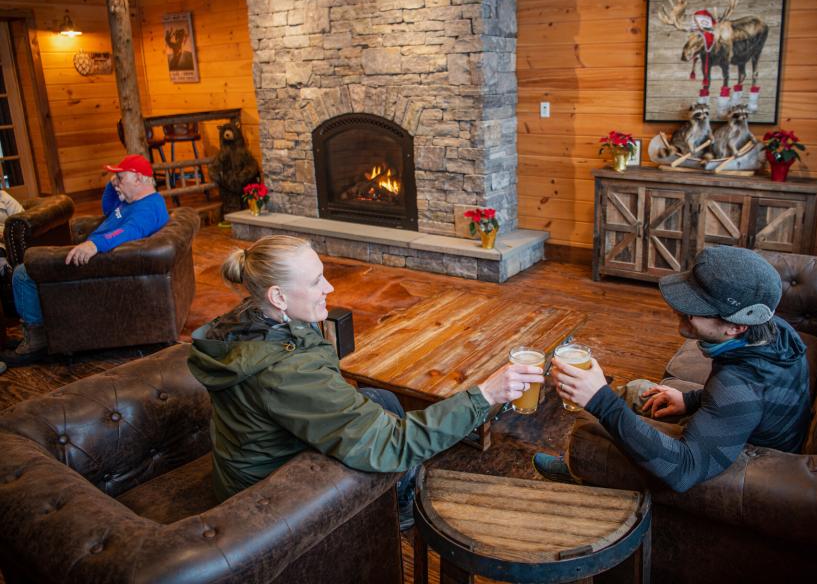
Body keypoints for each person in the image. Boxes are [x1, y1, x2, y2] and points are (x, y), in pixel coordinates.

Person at [188, 234, 544, 528]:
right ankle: (403, 515)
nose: (329, 287)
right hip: (267, 492)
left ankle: (401, 492)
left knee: (382, 398)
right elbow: (390, 443)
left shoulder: (253, 317)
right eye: (315, 282)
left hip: (248, 459)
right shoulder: (283, 375)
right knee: (394, 440)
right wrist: (483, 396)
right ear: (278, 296)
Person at [534, 246, 810, 493]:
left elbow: (684, 471)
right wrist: (689, 400)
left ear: (736, 326)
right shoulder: (773, 333)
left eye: (694, 309)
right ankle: (577, 463)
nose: (678, 310)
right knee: (638, 391)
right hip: (737, 428)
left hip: (745, 460)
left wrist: (600, 401)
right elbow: (761, 402)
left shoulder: (740, 386)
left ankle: (581, 471)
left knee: (598, 421)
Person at [4, 154, 169, 364]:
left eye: (120, 178)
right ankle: (41, 328)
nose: (115, 183)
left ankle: (36, 342)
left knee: (22, 273)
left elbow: (130, 231)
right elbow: (108, 208)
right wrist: (114, 184)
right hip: (94, 256)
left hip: (96, 262)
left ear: (138, 179)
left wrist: (95, 245)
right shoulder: (133, 200)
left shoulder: (147, 208)